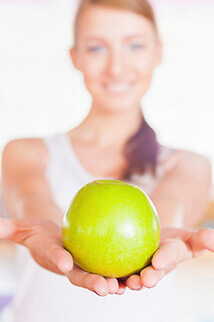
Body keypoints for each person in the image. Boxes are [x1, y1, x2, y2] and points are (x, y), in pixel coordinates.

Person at [1, 0, 214, 321]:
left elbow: (170, 209)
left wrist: (152, 244)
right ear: (75, 57)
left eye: (135, 45)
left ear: (158, 51)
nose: (116, 67)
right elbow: (33, 201)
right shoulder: (25, 151)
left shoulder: (190, 164)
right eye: (97, 48)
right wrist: (55, 236)